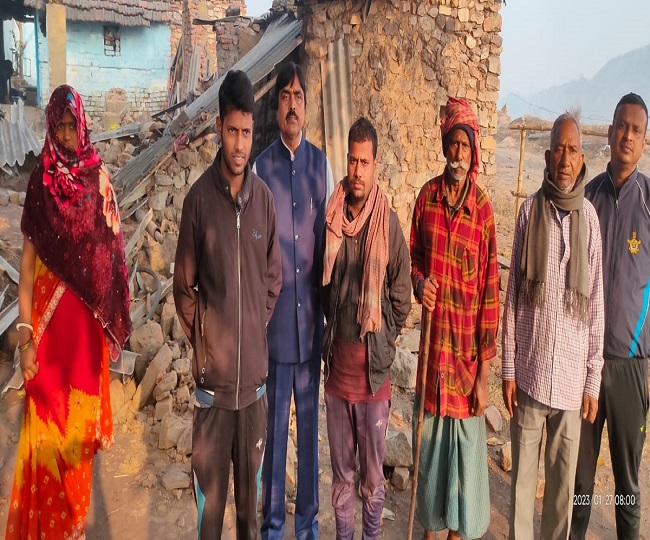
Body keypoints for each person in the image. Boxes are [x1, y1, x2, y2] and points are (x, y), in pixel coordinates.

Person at [5, 84, 131, 539]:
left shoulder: (99, 182)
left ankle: (72, 530)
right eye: (57, 126)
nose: (64, 134)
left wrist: (111, 321)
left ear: (82, 126)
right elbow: (26, 268)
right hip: (46, 340)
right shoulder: (41, 182)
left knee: (77, 450)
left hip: (84, 350)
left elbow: (113, 264)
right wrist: (24, 337)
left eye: (70, 125)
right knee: (46, 444)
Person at [173, 69, 282, 540]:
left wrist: (252, 331)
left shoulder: (264, 203)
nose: (240, 145)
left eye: (247, 132)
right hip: (213, 395)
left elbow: (273, 280)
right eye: (233, 131)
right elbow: (184, 288)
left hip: (253, 394)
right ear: (219, 127)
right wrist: (208, 339)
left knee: (248, 522)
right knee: (210, 521)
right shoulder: (198, 202)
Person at [501, 112, 604, 539]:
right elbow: (513, 297)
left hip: (569, 387)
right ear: (547, 156)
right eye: (559, 149)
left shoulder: (591, 221)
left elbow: (596, 306)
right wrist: (508, 369)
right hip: (529, 376)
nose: (565, 158)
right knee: (522, 493)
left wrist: (592, 380)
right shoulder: (529, 212)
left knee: (560, 499)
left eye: (573, 150)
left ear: (581, 159)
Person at [409, 97, 499, 540]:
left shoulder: (483, 211)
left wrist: (484, 377)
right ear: (445, 145)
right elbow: (413, 260)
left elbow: (490, 296)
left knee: (461, 489)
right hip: (433, 369)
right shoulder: (426, 199)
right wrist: (419, 282)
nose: (458, 153)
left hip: (464, 372)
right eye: (453, 144)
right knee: (430, 478)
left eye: (465, 145)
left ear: (473, 150)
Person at [253, 61, 334, 540]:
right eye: (284, 96)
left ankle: (307, 526)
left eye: (298, 96)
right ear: (276, 106)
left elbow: (329, 246)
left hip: (311, 328)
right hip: (275, 328)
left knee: (308, 434)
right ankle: (272, 526)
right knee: (274, 436)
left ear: (307, 105)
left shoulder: (322, 166)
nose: (291, 105)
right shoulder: (261, 168)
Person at [321, 116, 411, 539]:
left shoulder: (388, 225)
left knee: (372, 482)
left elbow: (401, 297)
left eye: (365, 162)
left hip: (373, 379)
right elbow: (321, 287)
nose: (357, 171)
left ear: (376, 166)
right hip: (338, 379)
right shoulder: (331, 218)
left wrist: (383, 342)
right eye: (352, 161)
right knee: (342, 477)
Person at [571, 93, 650, 540]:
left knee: (626, 486)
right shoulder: (588, 197)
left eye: (636, 130)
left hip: (629, 366)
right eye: (621, 126)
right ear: (610, 130)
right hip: (585, 364)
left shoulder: (649, 200)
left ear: (644, 141)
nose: (627, 136)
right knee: (580, 483)